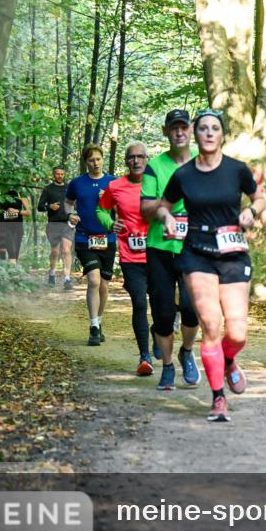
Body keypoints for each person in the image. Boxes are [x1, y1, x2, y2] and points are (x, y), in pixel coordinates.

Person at [156, 109, 264, 422]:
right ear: (195, 133)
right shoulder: (184, 175)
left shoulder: (236, 170)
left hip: (232, 252)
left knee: (238, 331)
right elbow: (163, 207)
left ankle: (229, 359)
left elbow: (259, 198)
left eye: (214, 128)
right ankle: (218, 398)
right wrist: (167, 220)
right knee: (211, 324)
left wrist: (251, 213)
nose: (208, 133)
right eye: (202, 128)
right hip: (197, 252)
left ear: (222, 135)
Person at [140, 109, 201, 390]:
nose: (179, 132)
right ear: (166, 132)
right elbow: (145, 207)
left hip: (193, 249)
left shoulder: (204, 165)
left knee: (191, 309)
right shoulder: (155, 166)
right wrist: (167, 211)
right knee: (163, 314)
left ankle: (186, 352)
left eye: (183, 127)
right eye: (173, 128)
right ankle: (166, 366)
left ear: (191, 131)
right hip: (160, 249)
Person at [97, 141, 154, 376]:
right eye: (131, 157)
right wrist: (111, 223)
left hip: (158, 253)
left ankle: (160, 337)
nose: (136, 161)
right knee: (140, 303)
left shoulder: (158, 183)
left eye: (141, 156)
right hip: (131, 258)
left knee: (163, 306)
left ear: (147, 159)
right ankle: (145, 357)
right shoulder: (116, 186)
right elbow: (101, 209)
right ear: (126, 162)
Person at [66, 144, 117, 346]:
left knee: (104, 285)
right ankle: (93, 326)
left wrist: (107, 199)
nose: (95, 163)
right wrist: (71, 214)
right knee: (94, 281)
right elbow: (68, 202)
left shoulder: (113, 182)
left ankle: (99, 321)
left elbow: (121, 207)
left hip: (108, 238)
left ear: (102, 159)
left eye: (98, 159)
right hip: (84, 237)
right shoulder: (77, 183)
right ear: (85, 162)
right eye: (91, 160)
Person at [37, 166, 75, 289]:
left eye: (62, 174)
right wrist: (50, 206)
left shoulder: (70, 188)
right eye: (57, 174)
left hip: (68, 224)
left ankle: (67, 279)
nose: (59, 176)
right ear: (54, 175)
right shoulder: (48, 189)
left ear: (64, 174)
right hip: (53, 224)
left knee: (66, 250)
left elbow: (77, 202)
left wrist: (77, 214)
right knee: (55, 251)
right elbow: (40, 207)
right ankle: (52, 274)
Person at [0, 189, 31, 263]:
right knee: (11, 249)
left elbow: (28, 212)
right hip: (4, 225)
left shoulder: (22, 198)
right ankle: (11, 270)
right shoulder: (0, 198)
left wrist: (17, 211)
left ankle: (14, 269)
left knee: (16, 250)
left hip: (17, 226)